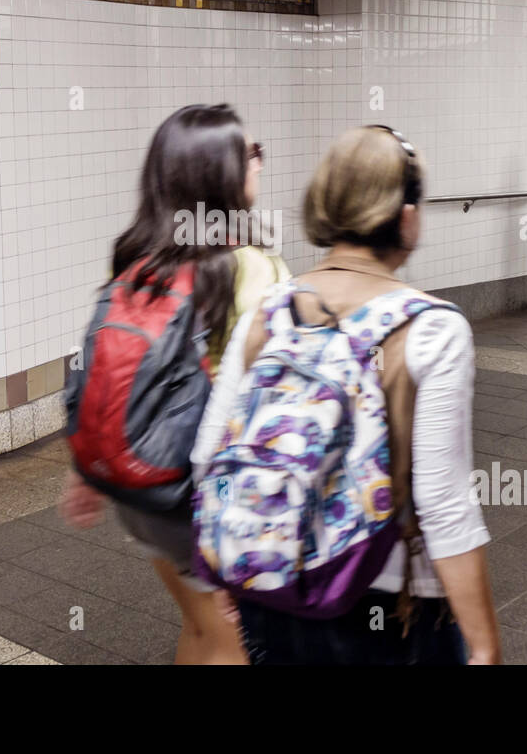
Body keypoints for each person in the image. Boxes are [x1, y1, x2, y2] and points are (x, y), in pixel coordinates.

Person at [193, 125, 501, 665]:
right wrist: (484, 647)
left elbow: (207, 455)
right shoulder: (431, 327)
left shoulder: (270, 309)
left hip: (274, 586)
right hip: (390, 609)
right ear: (406, 215)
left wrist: (226, 561)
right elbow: (444, 504)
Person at [58, 103, 289, 665]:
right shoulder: (252, 268)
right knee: (233, 642)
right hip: (201, 494)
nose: (261, 164)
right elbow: (260, 405)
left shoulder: (139, 256)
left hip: (140, 486)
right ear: (222, 172)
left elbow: (116, 368)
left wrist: (86, 469)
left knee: (199, 627)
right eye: (252, 153)